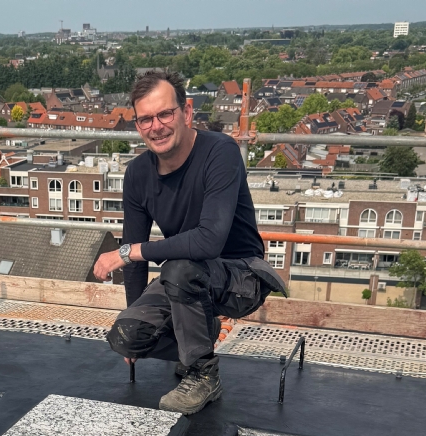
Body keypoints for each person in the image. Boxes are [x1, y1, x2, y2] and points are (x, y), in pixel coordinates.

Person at [92, 70, 286, 415]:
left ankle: (202, 374)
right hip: (186, 277)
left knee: (181, 268)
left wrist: (128, 252)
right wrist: (135, 315)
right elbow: (135, 252)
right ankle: (200, 332)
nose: (156, 126)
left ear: (186, 112)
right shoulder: (138, 174)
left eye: (165, 113)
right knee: (125, 335)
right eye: (145, 119)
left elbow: (208, 241)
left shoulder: (220, 152)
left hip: (241, 276)